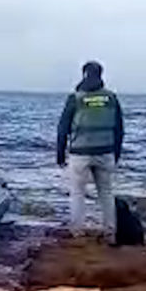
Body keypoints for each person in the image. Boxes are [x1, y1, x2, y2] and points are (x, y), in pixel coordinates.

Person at [56, 61, 125, 242]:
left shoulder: (76, 98)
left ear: (84, 74)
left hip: (80, 153)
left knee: (78, 193)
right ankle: (110, 233)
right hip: (106, 152)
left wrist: (60, 153)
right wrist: (116, 153)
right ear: (101, 74)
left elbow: (62, 128)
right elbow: (119, 129)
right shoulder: (111, 98)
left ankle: (78, 231)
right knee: (106, 193)